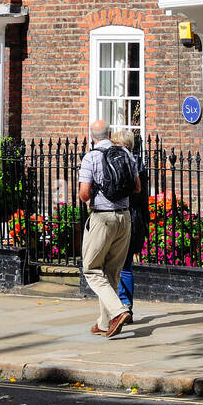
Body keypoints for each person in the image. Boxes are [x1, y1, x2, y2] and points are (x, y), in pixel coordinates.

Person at [78, 118, 141, 338]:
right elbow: (137, 187)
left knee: (92, 269)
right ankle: (105, 323)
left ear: (92, 136)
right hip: (125, 218)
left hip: (102, 219)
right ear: (109, 133)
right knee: (112, 273)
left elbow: (84, 194)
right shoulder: (125, 154)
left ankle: (118, 311)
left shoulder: (91, 157)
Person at [110, 128, 149, 323]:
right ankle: (126, 307)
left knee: (114, 266)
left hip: (119, 215)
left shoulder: (113, 162)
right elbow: (143, 198)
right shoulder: (140, 163)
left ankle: (117, 308)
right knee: (126, 266)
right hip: (136, 217)